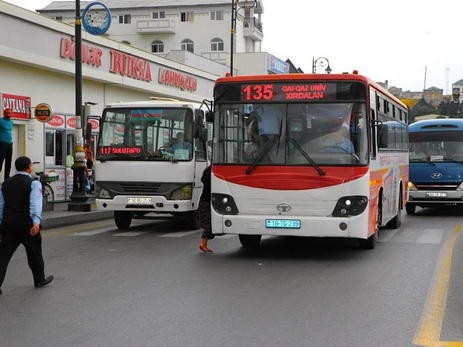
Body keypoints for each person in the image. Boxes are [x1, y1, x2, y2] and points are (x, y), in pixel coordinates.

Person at [0, 156, 54, 294]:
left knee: (4, 256)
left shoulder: (5, 184)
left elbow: (1, 206)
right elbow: (35, 204)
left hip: (9, 225)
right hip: (27, 225)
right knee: (34, 253)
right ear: (29, 167)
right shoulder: (33, 183)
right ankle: (39, 279)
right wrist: (36, 222)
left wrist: (2, 222)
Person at [198, 165, 214, 253]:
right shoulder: (211, 172)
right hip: (207, 200)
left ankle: (204, 244)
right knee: (209, 223)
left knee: (209, 222)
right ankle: (203, 244)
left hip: (204, 200)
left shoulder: (207, 171)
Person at [0, 108, 14, 181]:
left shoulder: (11, 122)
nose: (8, 114)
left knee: (8, 163)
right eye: (7, 113)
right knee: (0, 162)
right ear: (4, 113)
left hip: (10, 144)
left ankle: (6, 179)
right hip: (2, 144)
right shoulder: (1, 121)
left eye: (10, 113)